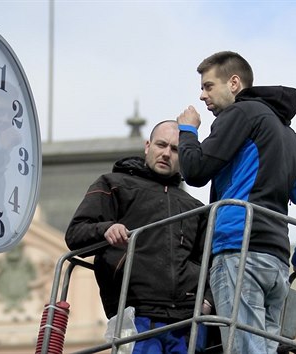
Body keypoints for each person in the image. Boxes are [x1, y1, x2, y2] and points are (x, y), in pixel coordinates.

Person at [176, 51, 296, 353]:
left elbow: (195, 171)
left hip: (238, 250)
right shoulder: (290, 137)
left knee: (244, 348)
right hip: (275, 262)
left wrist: (188, 131)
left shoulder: (239, 114)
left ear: (234, 83)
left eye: (208, 86)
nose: (202, 95)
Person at [65, 120, 217, 354]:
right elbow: (75, 233)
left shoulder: (195, 207)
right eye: (161, 145)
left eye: (175, 149)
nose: (166, 153)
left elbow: (210, 260)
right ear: (148, 146)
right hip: (136, 311)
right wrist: (106, 229)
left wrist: (206, 300)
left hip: (188, 318)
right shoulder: (114, 184)